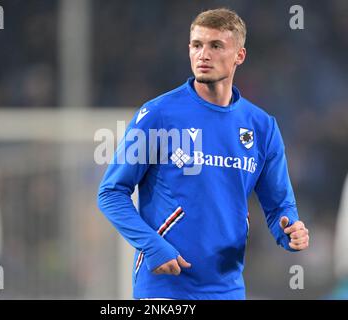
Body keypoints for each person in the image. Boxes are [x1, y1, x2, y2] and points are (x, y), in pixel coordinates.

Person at [97, 8, 309, 300]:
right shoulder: (158, 114)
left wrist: (290, 231)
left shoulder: (262, 127)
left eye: (216, 46)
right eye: (197, 45)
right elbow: (111, 192)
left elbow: (279, 208)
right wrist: (151, 245)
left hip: (228, 289)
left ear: (239, 56)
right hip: (164, 287)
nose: (203, 54)